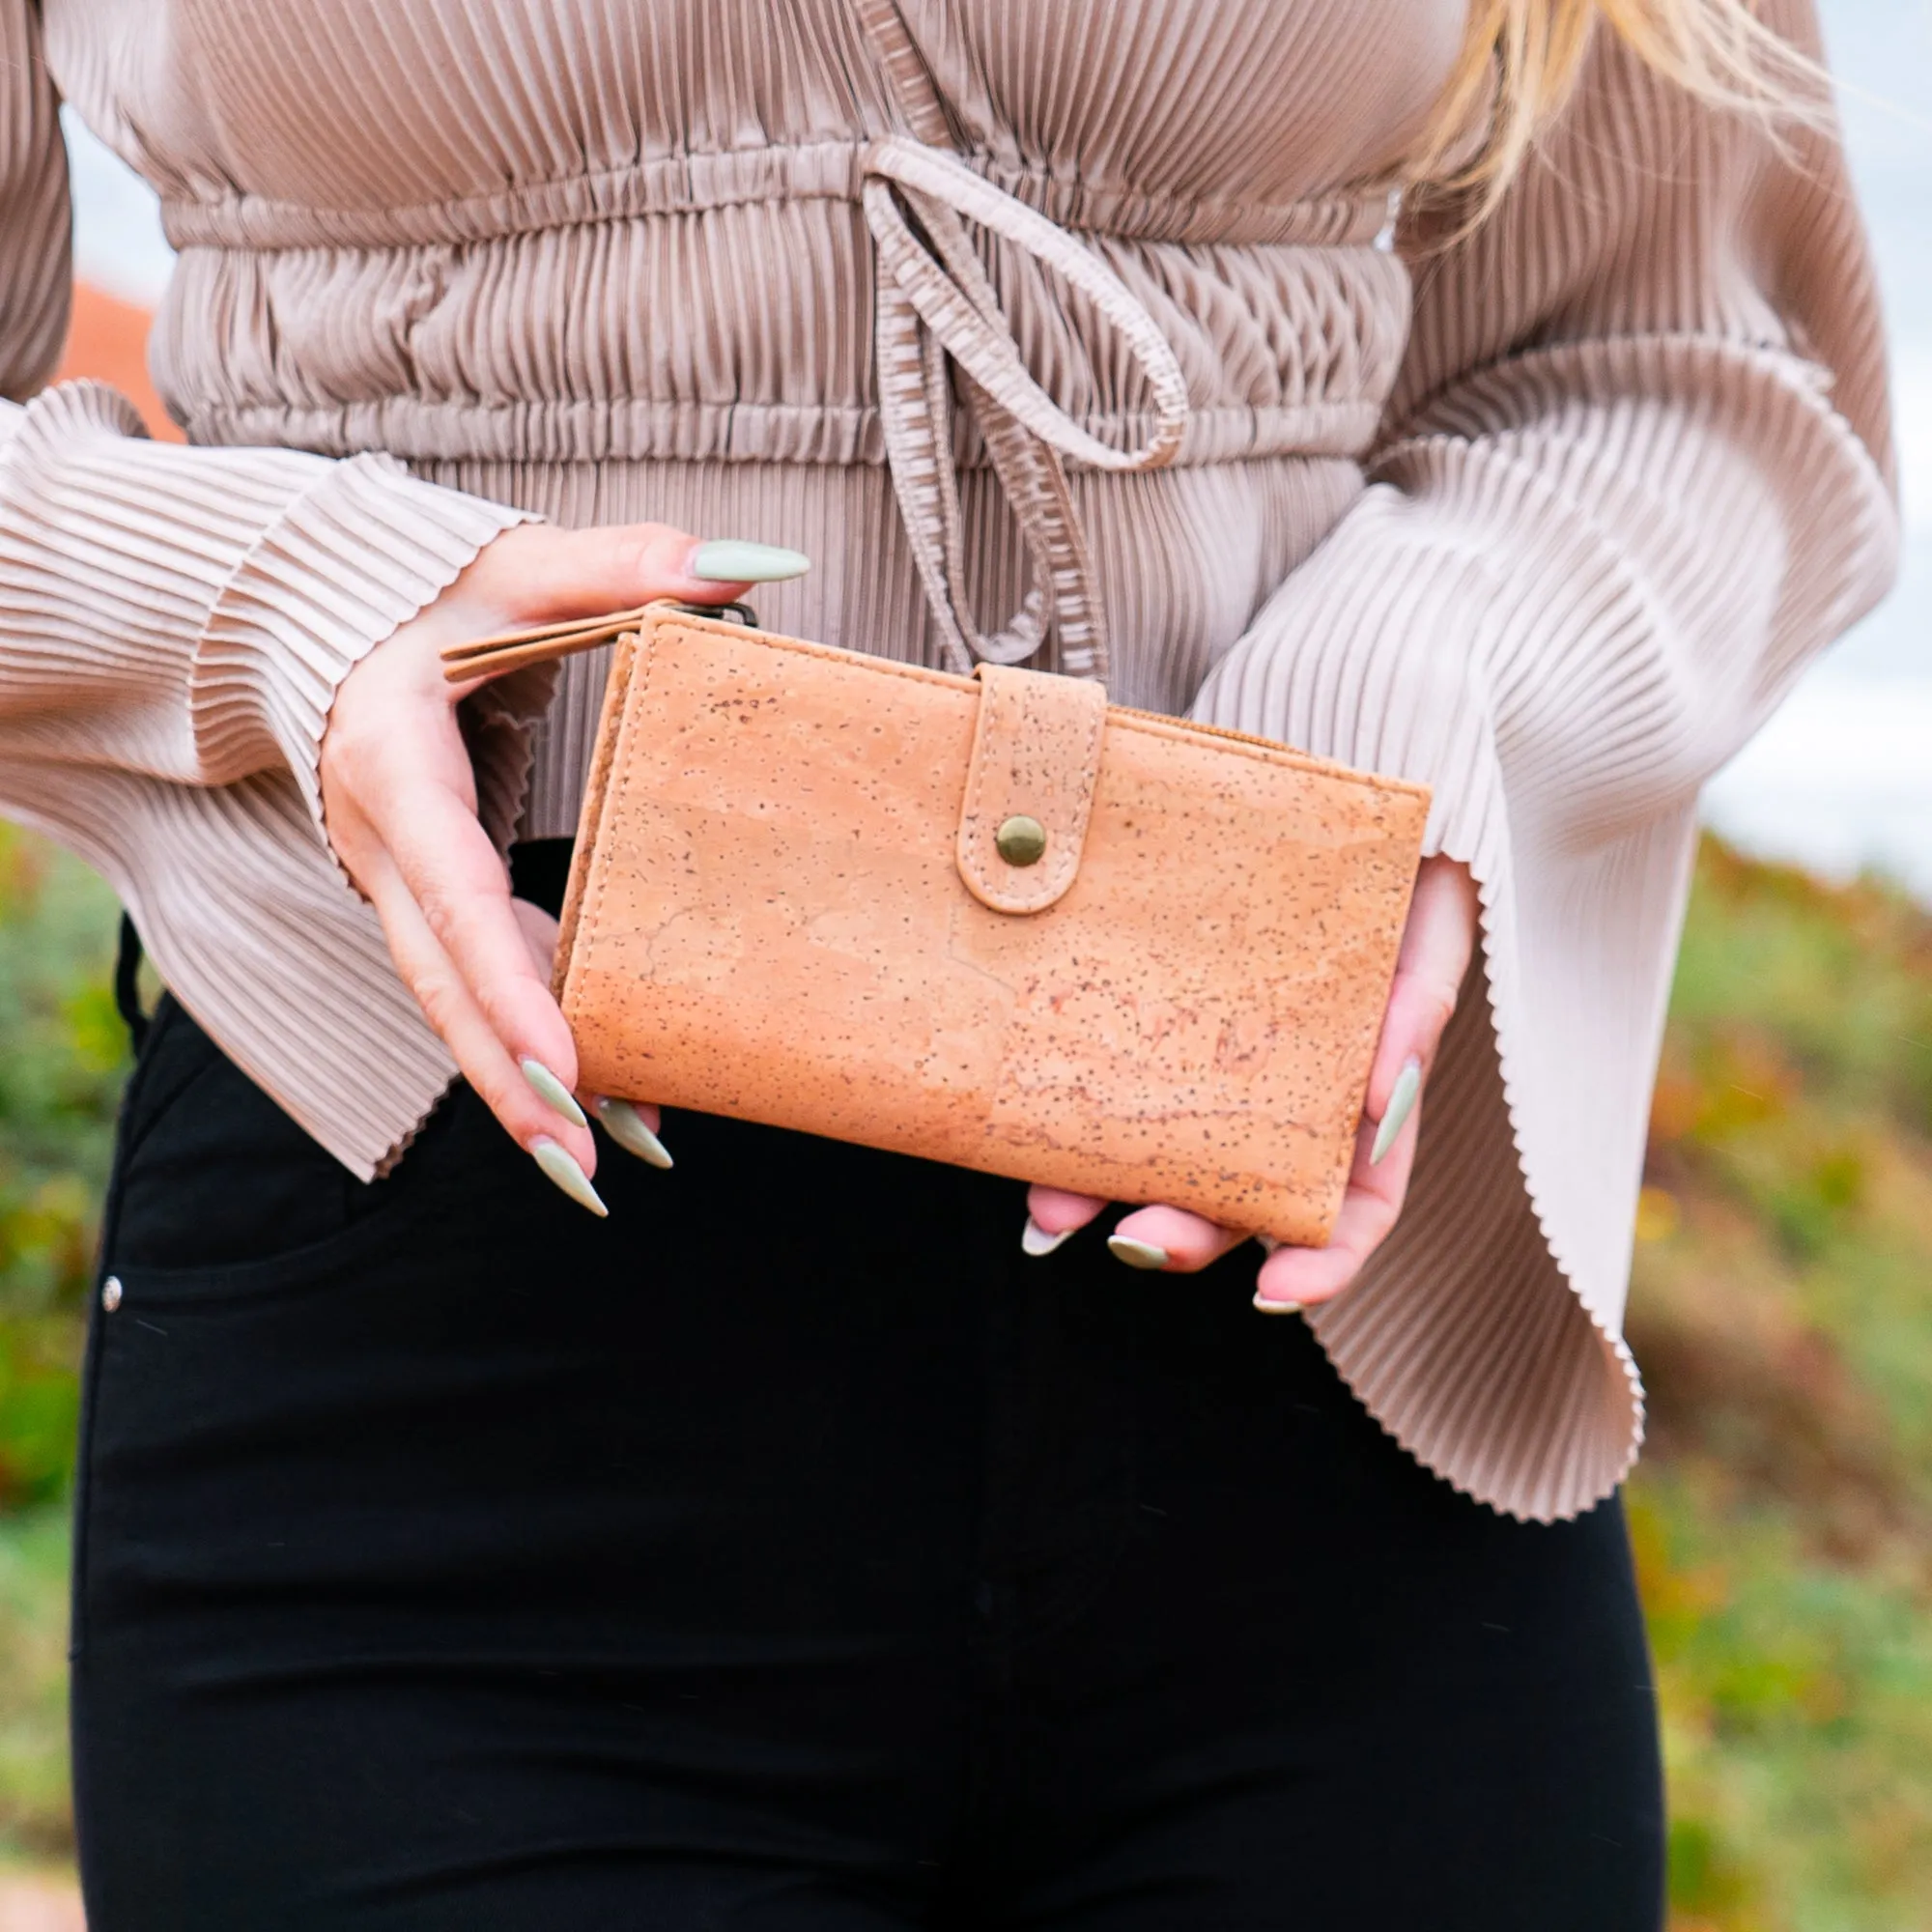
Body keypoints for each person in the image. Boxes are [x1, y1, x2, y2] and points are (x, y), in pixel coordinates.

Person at [0, 1, 1897, 1925]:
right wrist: (274, 604)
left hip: (1313, 1308)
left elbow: (1688, 366)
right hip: (426, 1292)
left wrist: (1415, 684)